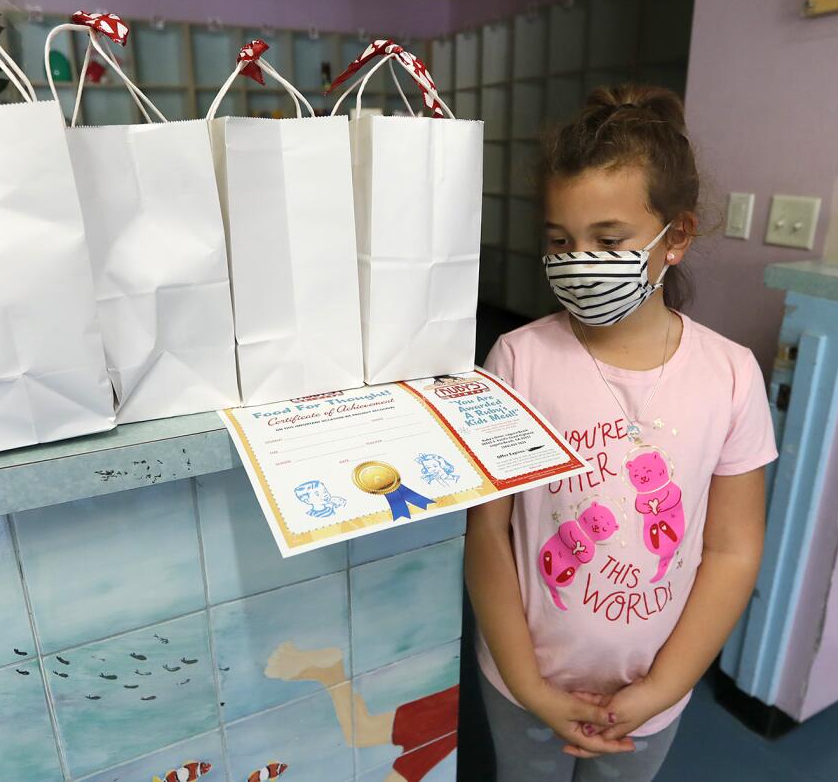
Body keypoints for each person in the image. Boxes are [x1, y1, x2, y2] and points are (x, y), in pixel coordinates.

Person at [465, 84, 777, 782]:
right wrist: (530, 684)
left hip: (653, 694)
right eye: (559, 241)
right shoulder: (517, 359)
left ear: (679, 237)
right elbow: (489, 533)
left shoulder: (730, 375)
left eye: (608, 240)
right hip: (523, 684)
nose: (578, 260)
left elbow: (732, 549)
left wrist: (664, 687)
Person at [264, 642, 458, 782]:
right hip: (453, 712)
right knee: (363, 731)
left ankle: (330, 673)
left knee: (362, 732)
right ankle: (330, 673)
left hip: (454, 715)